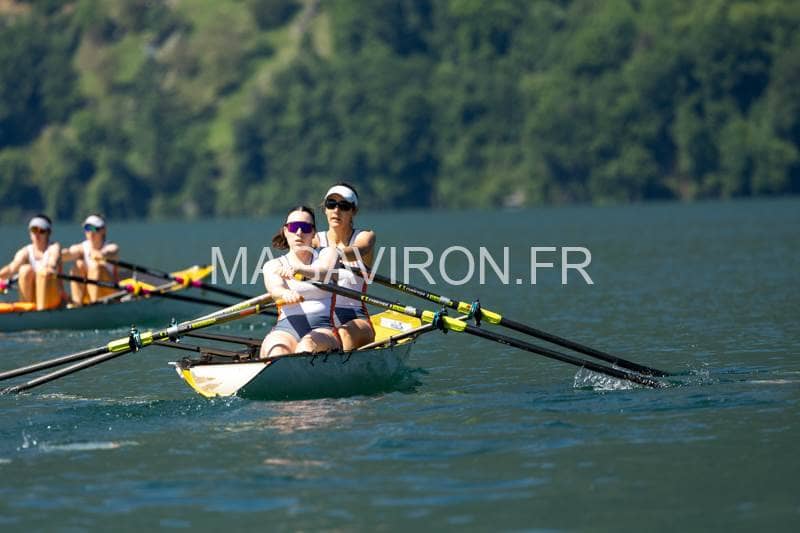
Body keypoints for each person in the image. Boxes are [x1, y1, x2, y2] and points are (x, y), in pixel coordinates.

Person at [260, 206, 341, 359]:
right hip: (286, 329)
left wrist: (299, 269)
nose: (299, 233)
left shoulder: (328, 253)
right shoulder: (273, 265)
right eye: (293, 227)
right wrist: (285, 293)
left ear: (313, 233)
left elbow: (325, 272)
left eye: (305, 228)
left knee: (306, 346)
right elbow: (275, 288)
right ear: (286, 231)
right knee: (277, 351)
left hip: (323, 330)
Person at [311, 183, 376, 350]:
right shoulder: (314, 240)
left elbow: (361, 249)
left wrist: (332, 255)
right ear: (325, 209)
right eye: (331, 204)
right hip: (321, 316)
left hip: (354, 317)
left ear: (353, 211)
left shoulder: (365, 237)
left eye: (344, 206)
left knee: (344, 333)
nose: (336, 210)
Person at [0, 214, 63, 310]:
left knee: (43, 272)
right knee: (25, 270)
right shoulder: (25, 251)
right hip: (33, 299)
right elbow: (11, 268)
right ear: (30, 232)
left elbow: (52, 262)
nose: (37, 235)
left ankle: (41, 313)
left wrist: (50, 266)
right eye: (34, 230)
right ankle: (26, 310)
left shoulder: (54, 247)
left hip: (53, 297)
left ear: (48, 233)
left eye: (41, 231)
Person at [61, 214, 119, 305]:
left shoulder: (110, 247)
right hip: (87, 293)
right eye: (88, 228)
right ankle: (77, 304)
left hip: (109, 292)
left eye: (94, 229)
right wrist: (57, 254)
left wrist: (101, 254)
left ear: (103, 230)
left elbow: (112, 251)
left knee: (97, 267)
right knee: (78, 265)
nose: (91, 233)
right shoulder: (81, 248)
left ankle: (94, 305)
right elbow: (69, 253)